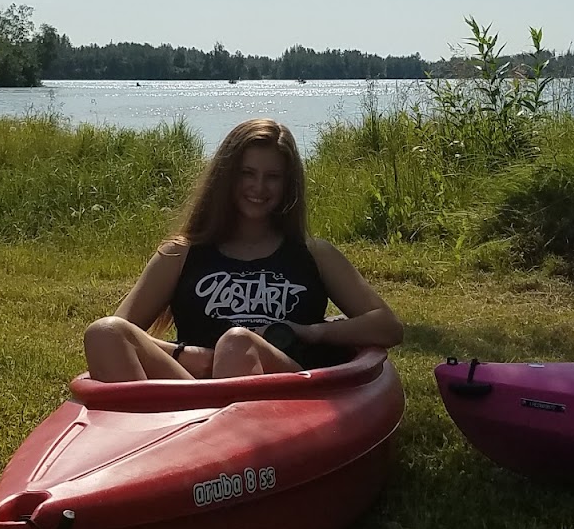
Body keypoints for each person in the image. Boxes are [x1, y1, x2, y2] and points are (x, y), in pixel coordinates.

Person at [84, 117, 403, 381]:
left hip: (282, 391)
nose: (259, 187)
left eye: (272, 177)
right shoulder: (179, 255)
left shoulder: (315, 254)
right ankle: (172, 428)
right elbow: (124, 336)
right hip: (192, 391)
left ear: (287, 185)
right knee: (104, 333)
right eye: (247, 173)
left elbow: (387, 327)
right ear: (226, 177)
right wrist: (193, 356)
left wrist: (311, 332)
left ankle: (213, 426)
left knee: (238, 344)